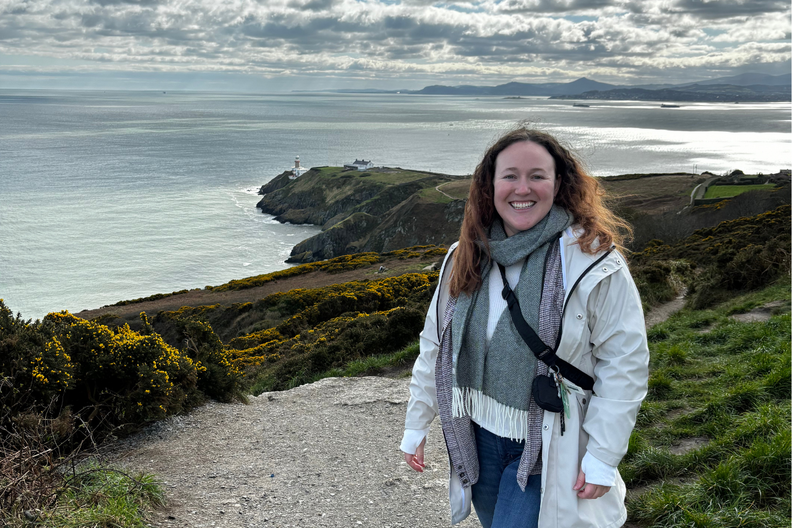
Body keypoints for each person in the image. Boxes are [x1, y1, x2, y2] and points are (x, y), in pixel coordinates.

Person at [400, 128, 649, 528]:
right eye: (510, 175)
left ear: (558, 184)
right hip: (478, 436)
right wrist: (417, 422)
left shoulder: (591, 260)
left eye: (537, 175)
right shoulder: (464, 256)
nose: (523, 188)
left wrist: (603, 456)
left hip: (548, 440)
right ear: (490, 185)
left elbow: (624, 364)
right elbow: (436, 345)